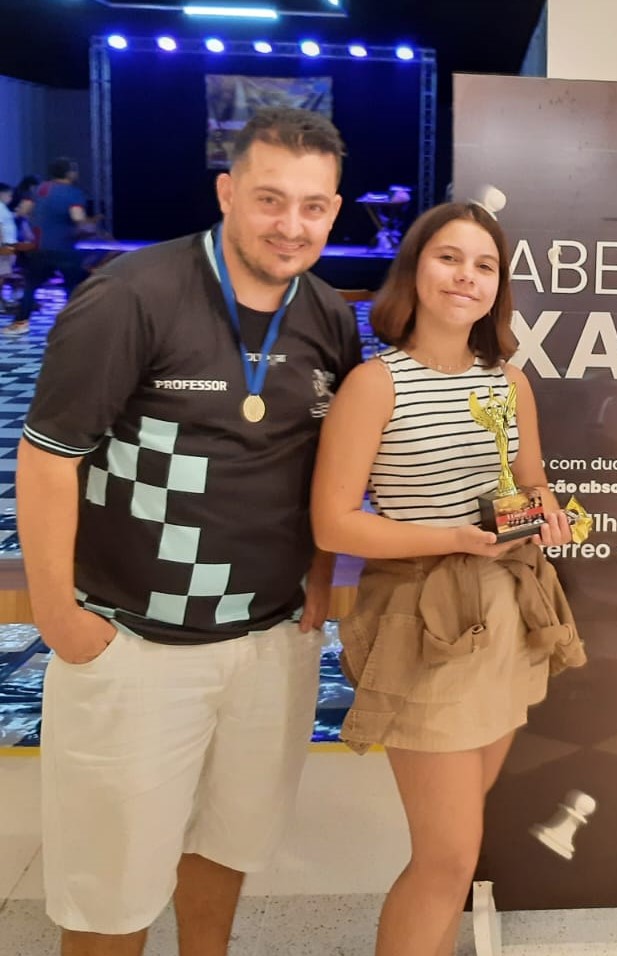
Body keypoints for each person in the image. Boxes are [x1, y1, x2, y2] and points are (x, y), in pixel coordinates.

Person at [17, 107, 360, 955]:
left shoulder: (327, 315)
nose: (291, 225)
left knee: (226, 845)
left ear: (334, 211)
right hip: (136, 644)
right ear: (227, 192)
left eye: (313, 206)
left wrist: (318, 583)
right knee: (110, 892)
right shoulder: (133, 295)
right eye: (270, 199)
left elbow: (325, 466)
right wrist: (59, 617)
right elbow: (48, 458)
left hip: (270, 640)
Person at [311, 201, 585, 956]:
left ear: (499, 287)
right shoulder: (376, 384)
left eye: (484, 265)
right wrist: (455, 539)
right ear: (415, 270)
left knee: (456, 853)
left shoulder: (510, 383)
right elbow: (334, 524)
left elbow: (531, 479)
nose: (467, 276)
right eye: (449, 258)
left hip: (509, 614)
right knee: (447, 860)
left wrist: (547, 510)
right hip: (424, 620)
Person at [6, 158, 92, 336]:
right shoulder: (73, 193)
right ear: (69, 173)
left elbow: (23, 211)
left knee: (31, 287)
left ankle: (20, 323)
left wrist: (37, 222)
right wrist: (86, 226)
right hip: (64, 248)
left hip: (40, 247)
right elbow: (77, 217)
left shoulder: (39, 189)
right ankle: (76, 325)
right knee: (72, 288)